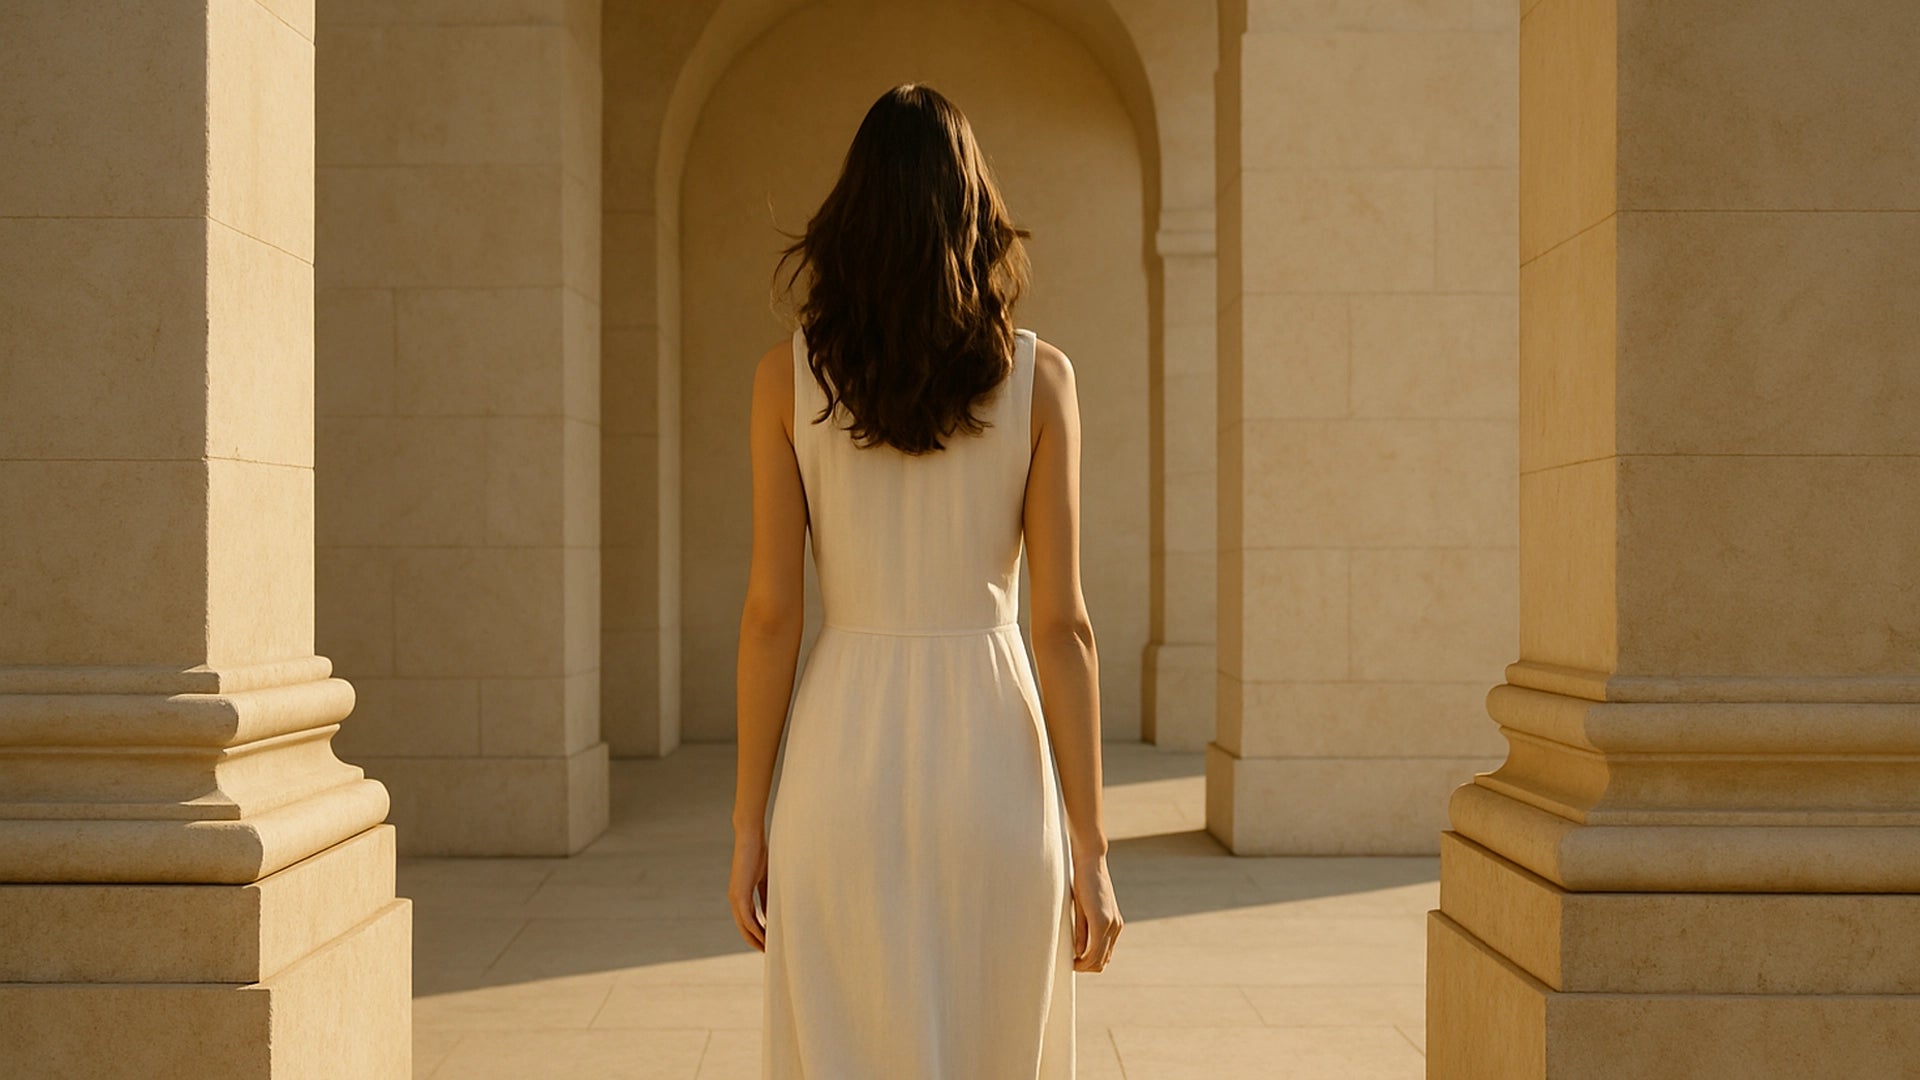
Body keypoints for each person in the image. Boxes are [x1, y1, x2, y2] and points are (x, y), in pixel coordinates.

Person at [726, 83, 1124, 1078]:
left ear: (851, 224)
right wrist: (1093, 846)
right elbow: (1062, 626)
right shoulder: (1042, 380)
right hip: (992, 754)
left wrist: (746, 824)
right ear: (976, 216)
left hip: (839, 757)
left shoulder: (788, 377)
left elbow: (774, 614)